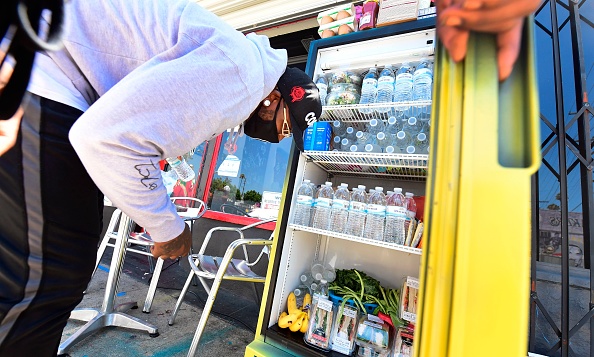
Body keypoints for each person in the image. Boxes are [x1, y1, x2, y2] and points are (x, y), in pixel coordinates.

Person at [0, 0, 321, 355]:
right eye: (285, 126)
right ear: (272, 98)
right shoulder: (243, 76)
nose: (277, 137)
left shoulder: (233, 56)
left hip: (44, 70)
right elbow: (106, 141)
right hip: (44, 77)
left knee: (46, 273)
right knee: (49, 276)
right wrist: (169, 229)